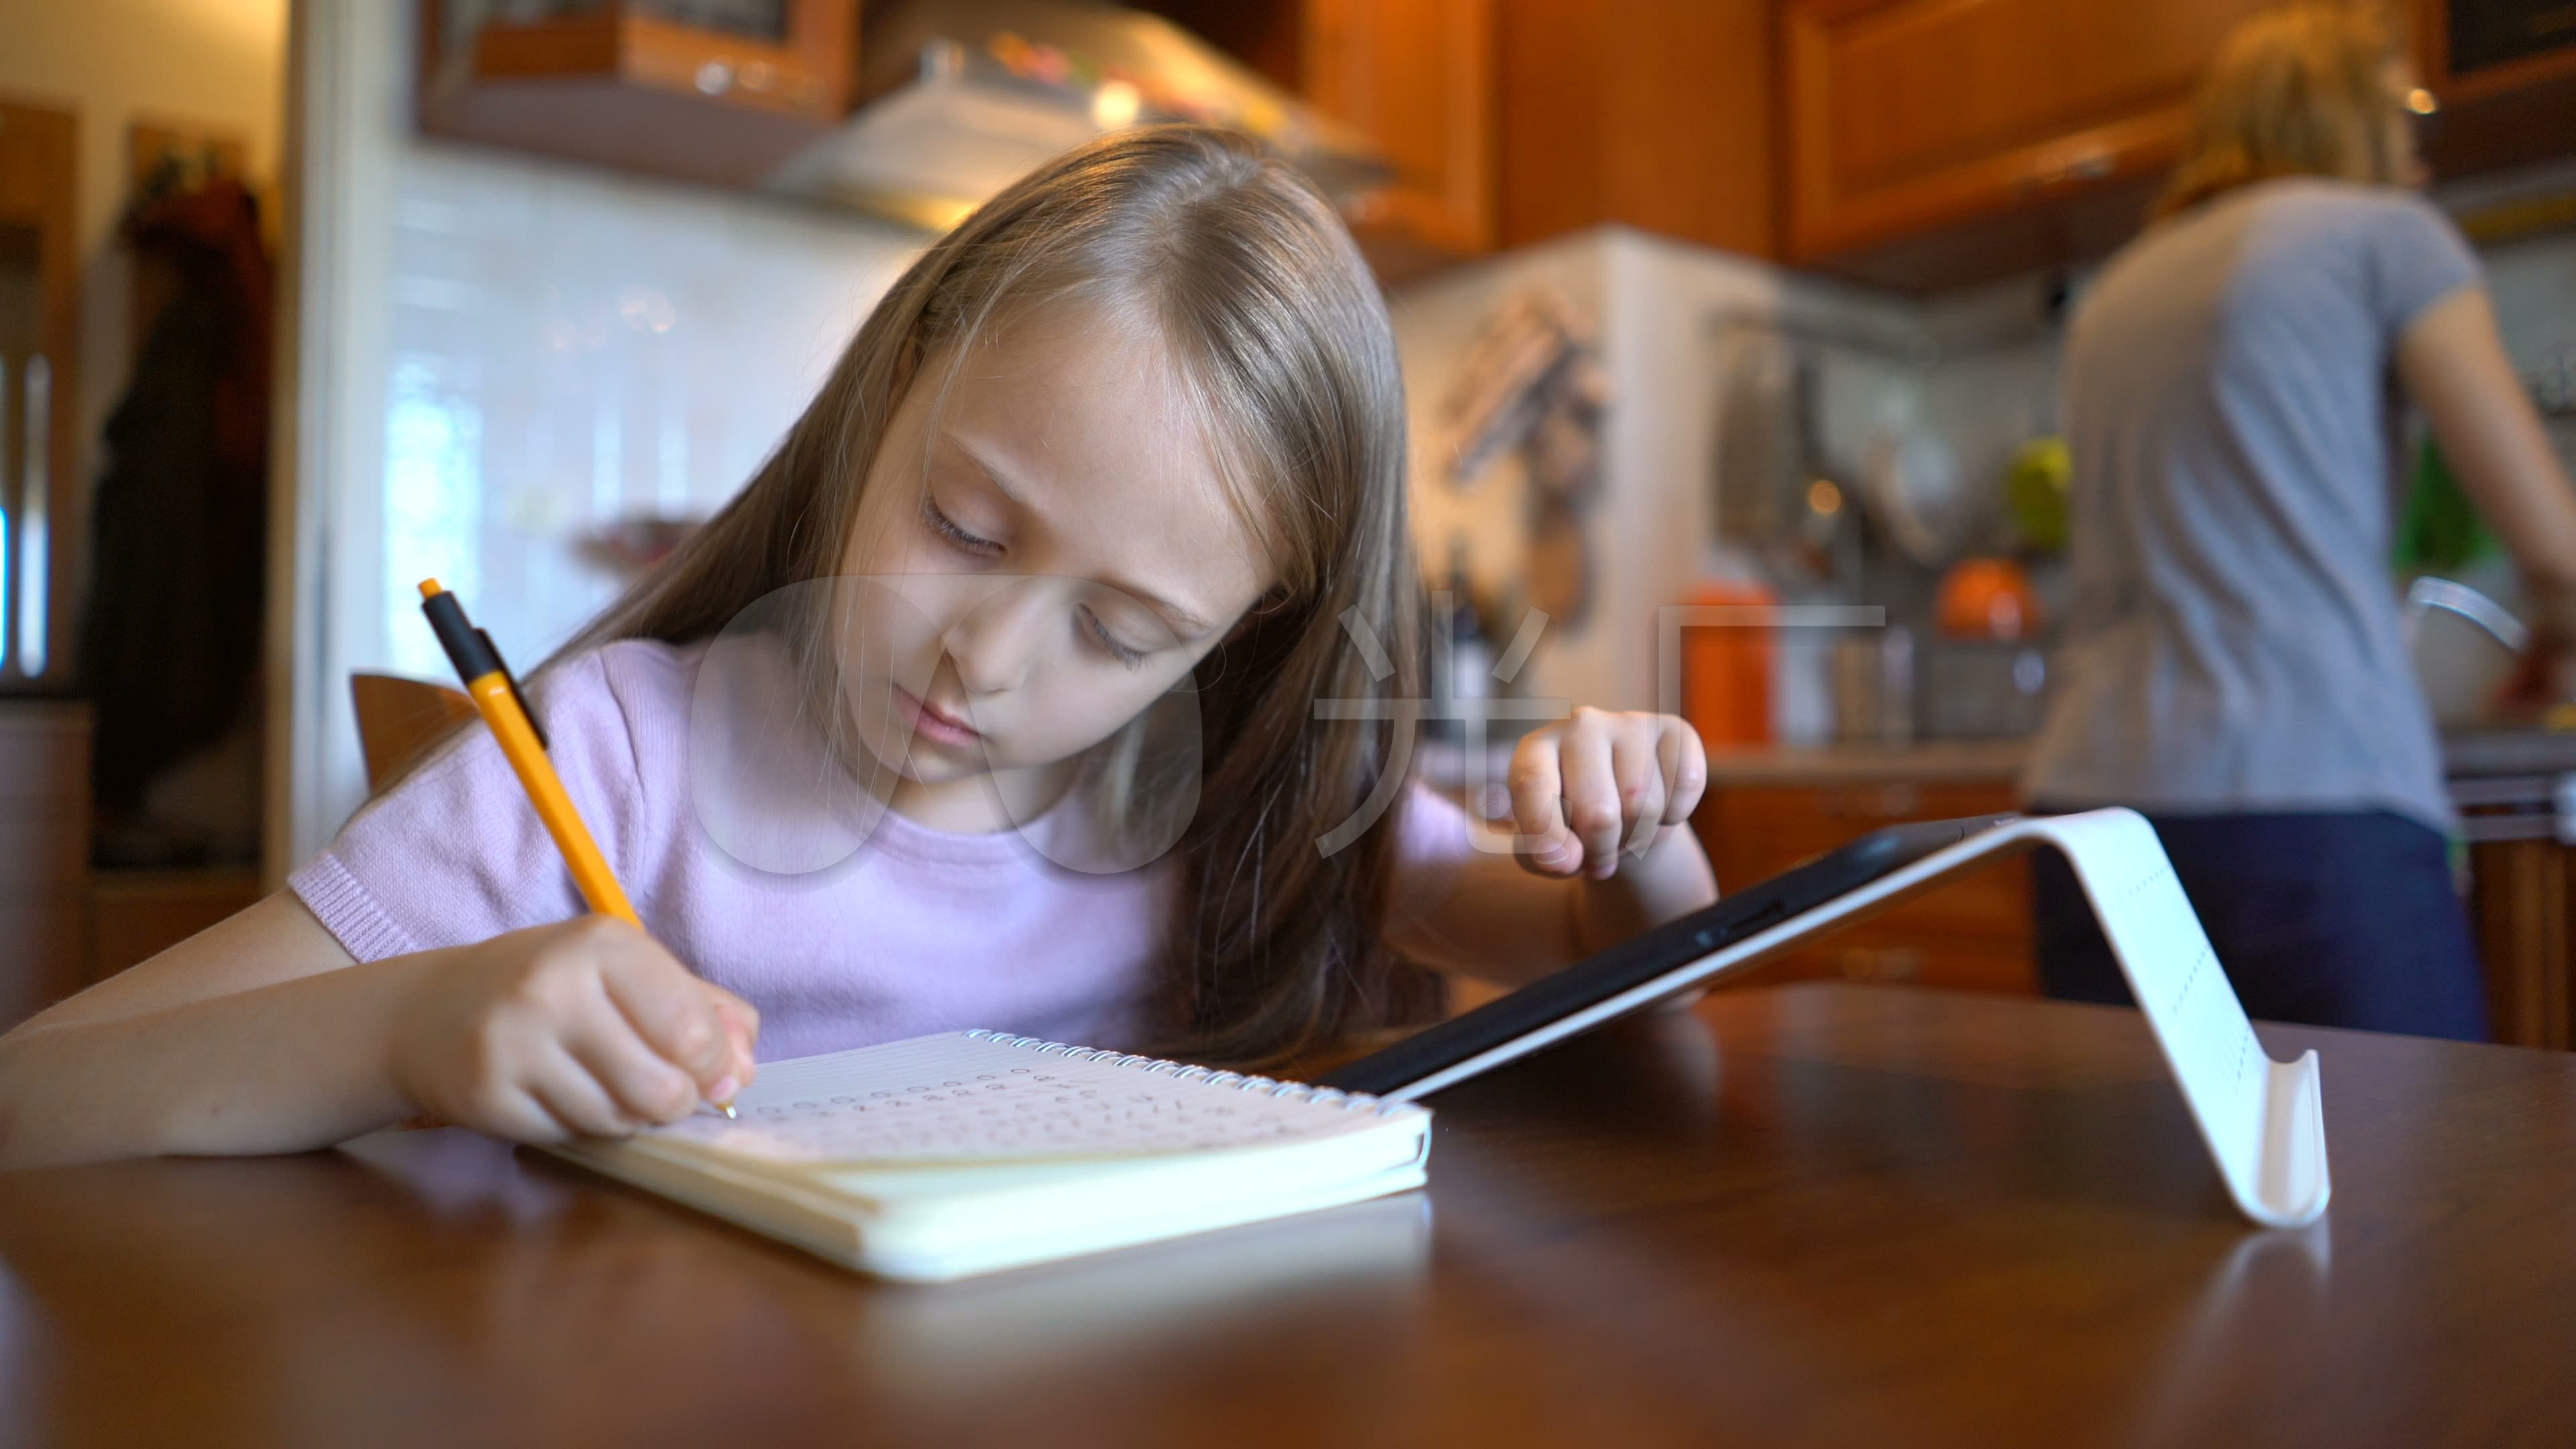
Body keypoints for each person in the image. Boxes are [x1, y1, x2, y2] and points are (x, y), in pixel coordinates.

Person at [0, 127, 1717, 1168]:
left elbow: (1645, 1035)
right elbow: (41, 1100)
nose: (983, 657)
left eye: (1124, 631)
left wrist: (1640, 851)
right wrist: (401, 1030)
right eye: (966, 530)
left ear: (1234, 643)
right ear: (884, 403)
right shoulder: (621, 756)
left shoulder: (1244, 810)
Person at [2021, 4, 2576, 1039]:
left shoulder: (2115, 292)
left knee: (2127, 1194)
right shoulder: (2387, 237)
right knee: (2402, 1192)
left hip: (2090, 818)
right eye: (2400, 117)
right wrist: (2555, 635)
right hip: (2312, 812)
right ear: (2343, 116)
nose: (2415, 154)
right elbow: (2558, 556)